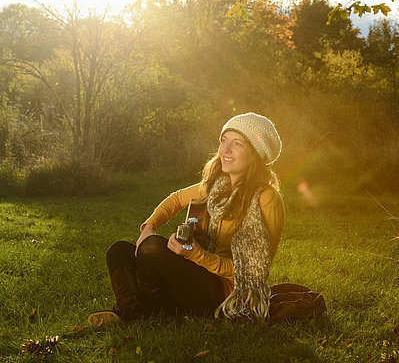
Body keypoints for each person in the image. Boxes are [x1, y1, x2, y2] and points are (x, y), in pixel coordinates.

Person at [88, 112, 326, 328]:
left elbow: (250, 274)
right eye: (224, 141)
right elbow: (175, 200)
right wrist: (148, 226)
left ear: (255, 154)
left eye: (237, 144)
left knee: (153, 249)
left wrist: (194, 254)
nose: (225, 150)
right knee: (119, 250)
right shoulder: (216, 186)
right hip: (192, 277)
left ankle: (142, 309)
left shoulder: (266, 199)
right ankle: (133, 312)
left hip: (223, 293)